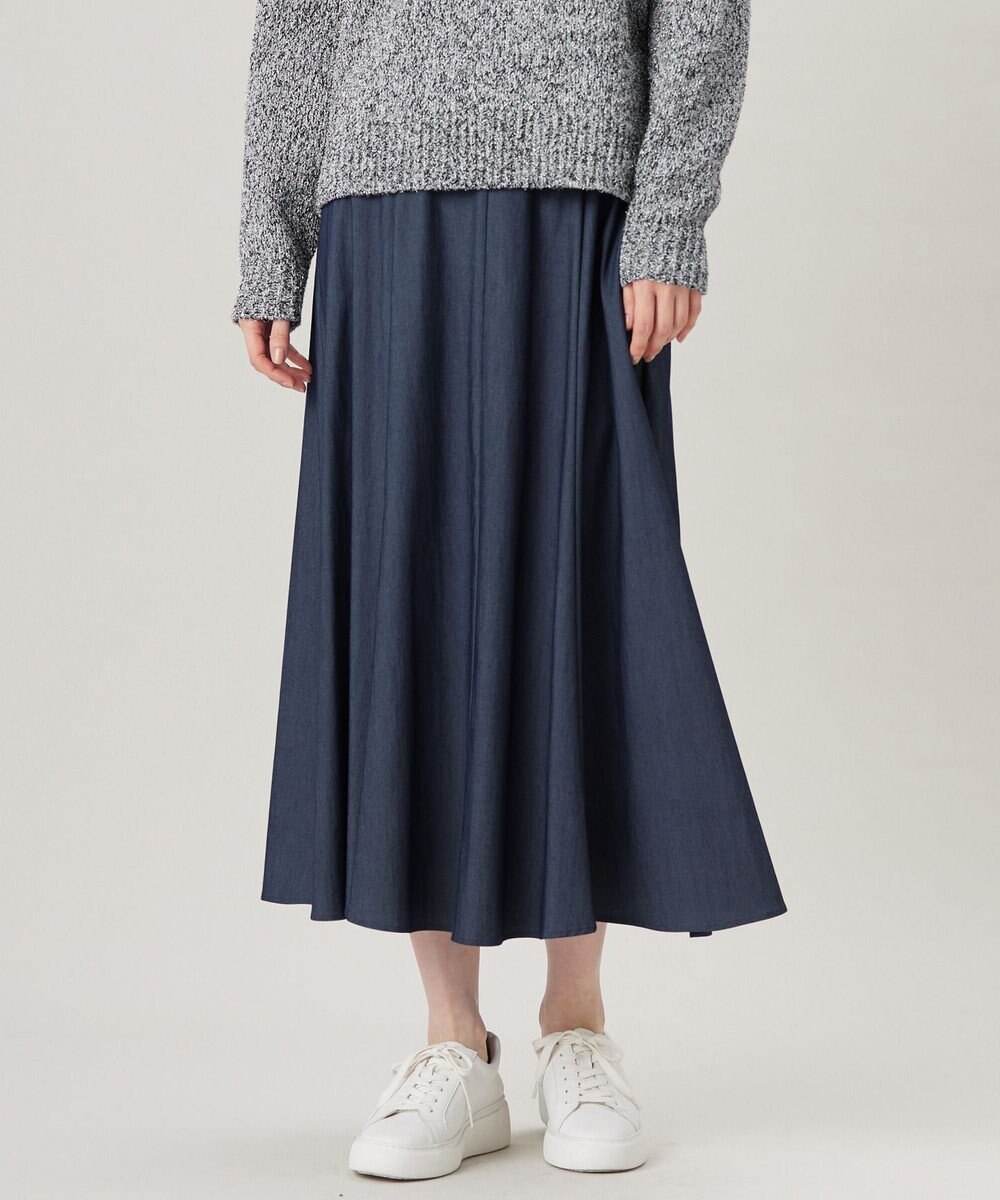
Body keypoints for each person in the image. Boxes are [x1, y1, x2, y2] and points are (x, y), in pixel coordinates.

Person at [233, 0, 784, 1180]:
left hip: (576, 201)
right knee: (410, 604)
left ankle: (575, 1026)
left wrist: (668, 215)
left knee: (582, 590)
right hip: (378, 203)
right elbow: (298, 25)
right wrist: (271, 244)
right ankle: (453, 1044)